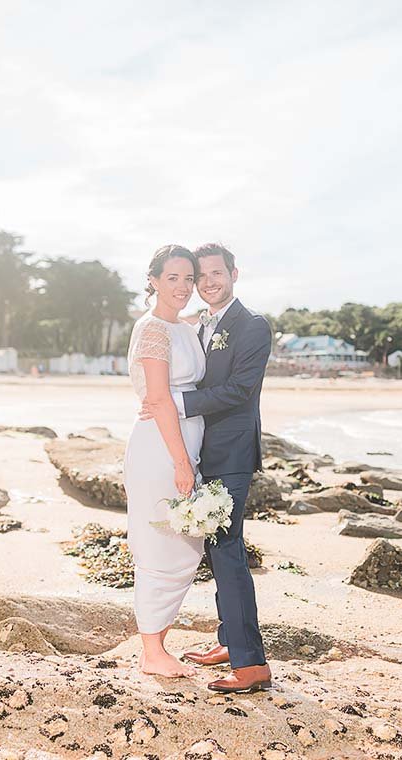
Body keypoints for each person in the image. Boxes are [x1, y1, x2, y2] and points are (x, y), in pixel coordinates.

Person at [140, 243, 273, 693]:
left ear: (234, 273)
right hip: (198, 449)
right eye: (202, 277)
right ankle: (229, 642)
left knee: (228, 550)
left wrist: (174, 402)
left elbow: (239, 390)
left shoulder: (252, 325)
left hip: (230, 454)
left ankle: (251, 665)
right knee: (217, 549)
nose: (208, 282)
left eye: (217, 273)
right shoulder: (194, 325)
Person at [123, 245, 206, 678]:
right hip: (160, 448)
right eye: (172, 278)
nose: (183, 287)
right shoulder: (153, 328)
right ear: (153, 280)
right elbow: (156, 397)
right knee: (160, 543)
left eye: (189, 279)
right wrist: (181, 462)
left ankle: (159, 644)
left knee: (185, 546)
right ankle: (152, 651)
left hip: (182, 444)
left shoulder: (185, 328)